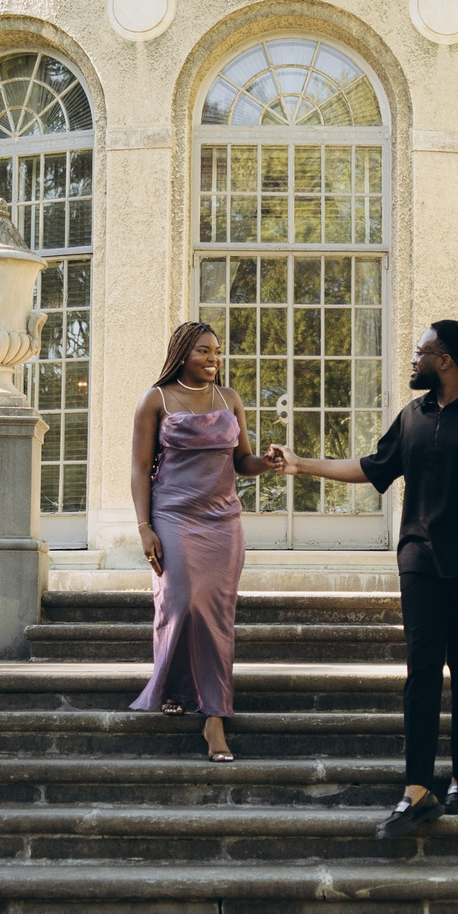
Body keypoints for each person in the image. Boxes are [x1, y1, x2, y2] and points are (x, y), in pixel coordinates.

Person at [269, 319, 458, 838]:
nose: (413, 359)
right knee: (420, 672)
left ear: (446, 360)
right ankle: (416, 787)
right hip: (419, 561)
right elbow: (372, 468)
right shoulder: (413, 415)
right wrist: (303, 465)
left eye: (422, 352)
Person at [129, 322, 277, 762]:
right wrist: (144, 526)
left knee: (216, 615)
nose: (213, 359)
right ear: (181, 353)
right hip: (173, 515)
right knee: (179, 601)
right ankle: (173, 685)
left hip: (222, 521)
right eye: (203, 352)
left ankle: (215, 717)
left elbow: (242, 461)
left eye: (217, 352)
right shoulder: (154, 400)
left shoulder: (229, 399)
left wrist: (265, 463)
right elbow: (139, 469)